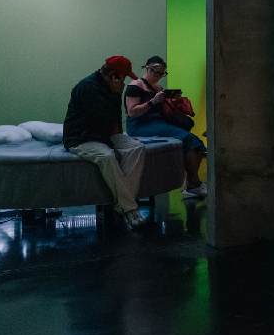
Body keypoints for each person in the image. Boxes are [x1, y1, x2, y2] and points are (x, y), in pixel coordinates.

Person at [63, 56, 148, 229]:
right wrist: (116, 95)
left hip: (104, 135)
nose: (124, 80)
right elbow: (102, 118)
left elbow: (115, 120)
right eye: (123, 76)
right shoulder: (87, 87)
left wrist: (115, 95)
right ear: (112, 74)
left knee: (137, 148)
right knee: (107, 156)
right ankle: (131, 209)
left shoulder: (111, 86)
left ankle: (123, 202)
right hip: (81, 137)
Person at [125, 56, 207, 198]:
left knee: (198, 143)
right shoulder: (135, 86)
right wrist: (153, 101)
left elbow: (162, 112)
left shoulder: (158, 88)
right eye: (157, 73)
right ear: (148, 69)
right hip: (140, 125)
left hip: (158, 122)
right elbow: (132, 112)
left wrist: (174, 101)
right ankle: (194, 184)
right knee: (189, 139)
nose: (159, 77)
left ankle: (193, 183)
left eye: (162, 73)